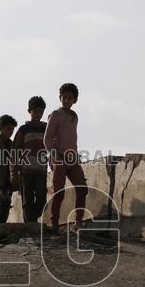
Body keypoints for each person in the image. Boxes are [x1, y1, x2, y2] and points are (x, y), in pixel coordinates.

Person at [44, 82, 88, 231]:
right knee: (59, 192)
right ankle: (54, 224)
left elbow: (72, 138)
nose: (67, 100)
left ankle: (78, 223)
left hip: (72, 158)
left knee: (82, 188)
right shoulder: (55, 115)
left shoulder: (74, 117)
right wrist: (54, 154)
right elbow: (47, 138)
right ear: (60, 97)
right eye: (64, 97)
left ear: (74, 100)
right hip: (59, 158)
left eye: (70, 98)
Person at [11, 96, 49, 223]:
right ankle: (30, 227)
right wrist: (14, 173)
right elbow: (15, 151)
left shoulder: (46, 129)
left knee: (42, 200)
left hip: (41, 171)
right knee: (27, 202)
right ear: (29, 111)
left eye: (41, 112)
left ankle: (33, 221)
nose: (38, 114)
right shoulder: (23, 130)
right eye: (35, 112)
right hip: (25, 171)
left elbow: (53, 145)